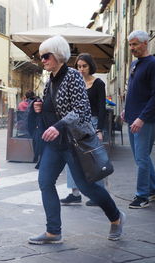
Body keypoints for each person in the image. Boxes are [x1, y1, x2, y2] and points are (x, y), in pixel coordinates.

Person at [27, 35, 125, 245]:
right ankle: (53, 232)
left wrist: (58, 126)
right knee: (45, 182)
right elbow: (50, 110)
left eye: (46, 56)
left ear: (58, 55)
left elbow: (81, 110)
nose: (42, 60)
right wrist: (39, 108)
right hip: (55, 144)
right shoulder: (49, 81)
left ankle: (116, 217)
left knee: (87, 187)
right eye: (41, 56)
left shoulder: (72, 76)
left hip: (74, 142)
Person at [60, 53, 107, 207]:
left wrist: (100, 129)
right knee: (71, 158)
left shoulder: (98, 83)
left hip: (92, 124)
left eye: (84, 66)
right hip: (74, 125)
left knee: (94, 159)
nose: (81, 69)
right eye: (79, 66)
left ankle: (99, 193)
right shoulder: (74, 82)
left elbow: (102, 108)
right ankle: (75, 193)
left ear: (90, 66)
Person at [122, 30, 155, 209]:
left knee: (142, 158)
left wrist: (142, 118)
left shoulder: (154, 64)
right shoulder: (135, 64)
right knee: (140, 157)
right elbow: (133, 90)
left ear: (145, 43)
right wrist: (125, 110)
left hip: (144, 120)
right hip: (132, 117)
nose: (132, 48)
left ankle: (142, 195)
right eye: (130, 44)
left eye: (135, 44)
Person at [27, 97, 45, 168]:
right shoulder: (31, 114)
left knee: (41, 147)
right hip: (36, 133)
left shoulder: (44, 114)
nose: (38, 107)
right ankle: (37, 158)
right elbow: (29, 125)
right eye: (36, 105)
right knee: (36, 146)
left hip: (43, 133)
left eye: (39, 105)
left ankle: (40, 161)